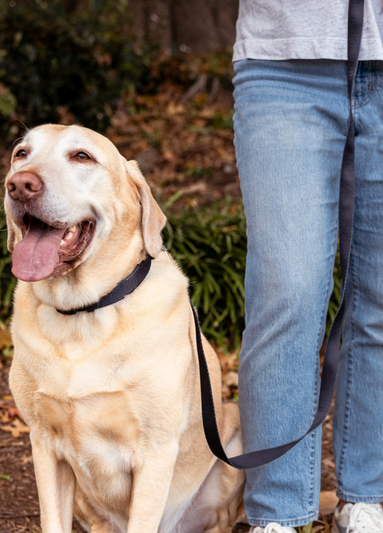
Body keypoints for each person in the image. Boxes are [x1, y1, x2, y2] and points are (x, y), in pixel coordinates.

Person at [232, 1, 383, 532]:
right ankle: (276, 512)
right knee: (286, 294)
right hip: (284, 65)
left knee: (382, 299)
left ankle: (366, 497)